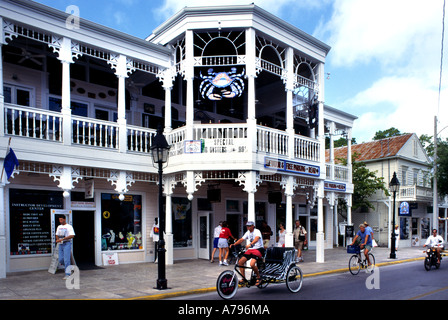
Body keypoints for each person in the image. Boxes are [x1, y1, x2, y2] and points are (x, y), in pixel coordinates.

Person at [230, 221, 264, 286]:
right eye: (247, 226)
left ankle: (259, 277)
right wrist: (234, 244)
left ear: (253, 226)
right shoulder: (247, 232)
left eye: (249, 226)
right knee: (240, 262)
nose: (248, 227)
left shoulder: (257, 231)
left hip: (258, 249)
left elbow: (256, 239)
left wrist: (250, 244)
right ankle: (243, 279)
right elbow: (241, 239)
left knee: (252, 264)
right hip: (250, 250)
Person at [55, 215, 75, 280]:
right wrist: (58, 239)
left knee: (67, 259)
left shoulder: (69, 226)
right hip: (60, 244)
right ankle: (70, 267)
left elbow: (72, 235)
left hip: (67, 243)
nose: (60, 221)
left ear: (64, 219)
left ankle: (68, 274)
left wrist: (63, 239)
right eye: (59, 220)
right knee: (60, 259)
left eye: (61, 220)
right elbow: (56, 234)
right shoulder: (59, 226)